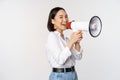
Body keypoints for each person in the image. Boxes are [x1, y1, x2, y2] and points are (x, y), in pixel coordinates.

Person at [45, 7, 83, 80]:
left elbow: (78, 57)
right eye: (61, 17)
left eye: (66, 16)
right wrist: (72, 41)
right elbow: (60, 60)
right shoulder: (52, 36)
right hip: (60, 76)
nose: (65, 20)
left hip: (73, 74)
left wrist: (77, 42)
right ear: (53, 21)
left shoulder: (66, 40)